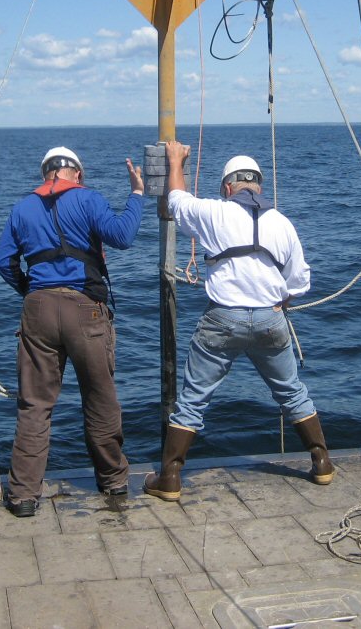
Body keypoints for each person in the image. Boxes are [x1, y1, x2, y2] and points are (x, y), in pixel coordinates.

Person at [143, 140, 333, 501]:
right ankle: (322, 462)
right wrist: (278, 304)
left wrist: (174, 161)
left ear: (227, 187)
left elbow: (177, 201)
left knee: (194, 399)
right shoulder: (282, 222)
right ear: (259, 186)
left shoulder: (217, 212)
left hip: (222, 320)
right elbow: (300, 282)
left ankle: (170, 476)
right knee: (291, 391)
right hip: (270, 320)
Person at [0, 146, 144, 517]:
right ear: (75, 173)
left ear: (47, 173)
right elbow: (123, 236)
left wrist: (30, 291)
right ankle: (113, 481)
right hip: (86, 310)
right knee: (100, 398)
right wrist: (137, 194)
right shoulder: (88, 199)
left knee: (35, 404)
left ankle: (24, 496)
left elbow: (3, 261)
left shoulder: (21, 208)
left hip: (38, 308)